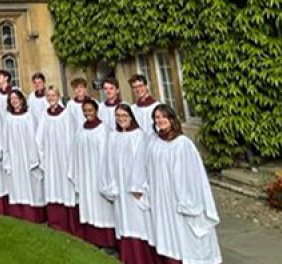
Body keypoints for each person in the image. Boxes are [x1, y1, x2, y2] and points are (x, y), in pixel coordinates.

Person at [139, 105, 222, 264]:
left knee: (187, 236)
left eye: (163, 117)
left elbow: (192, 175)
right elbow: (147, 167)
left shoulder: (183, 143)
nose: (160, 120)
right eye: (157, 117)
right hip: (162, 199)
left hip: (180, 199)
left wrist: (187, 201)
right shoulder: (154, 142)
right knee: (170, 236)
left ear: (171, 119)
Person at [102, 104, 156, 264]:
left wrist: (139, 186)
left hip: (135, 188)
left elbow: (143, 162)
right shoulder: (113, 137)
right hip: (119, 187)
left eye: (124, 115)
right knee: (123, 220)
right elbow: (108, 162)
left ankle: (142, 257)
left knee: (138, 221)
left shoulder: (140, 136)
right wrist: (110, 184)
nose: (121, 119)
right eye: (118, 116)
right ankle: (127, 255)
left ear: (131, 116)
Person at [69, 98, 117, 249]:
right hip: (85, 174)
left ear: (96, 110)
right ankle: (92, 237)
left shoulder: (104, 129)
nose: (87, 113)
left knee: (102, 207)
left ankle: (107, 241)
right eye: (85, 111)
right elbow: (75, 152)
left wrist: (106, 176)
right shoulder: (80, 129)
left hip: (99, 174)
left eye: (90, 110)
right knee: (89, 205)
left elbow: (108, 154)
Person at [37, 86, 80, 236]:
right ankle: (55, 222)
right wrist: (42, 157)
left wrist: (69, 159)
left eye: (53, 95)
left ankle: (69, 224)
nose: (50, 98)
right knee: (53, 187)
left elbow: (71, 137)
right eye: (48, 96)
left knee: (65, 187)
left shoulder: (66, 115)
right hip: (50, 159)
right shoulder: (45, 115)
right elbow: (39, 139)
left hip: (64, 158)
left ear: (58, 95)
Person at [1, 89, 45, 223]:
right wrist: (7, 156)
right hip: (14, 155)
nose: (14, 101)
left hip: (27, 155)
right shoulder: (8, 118)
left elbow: (34, 137)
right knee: (16, 183)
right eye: (11, 99)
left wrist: (34, 158)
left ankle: (32, 214)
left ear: (21, 100)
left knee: (30, 184)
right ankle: (18, 212)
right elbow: (5, 138)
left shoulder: (29, 116)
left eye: (16, 98)